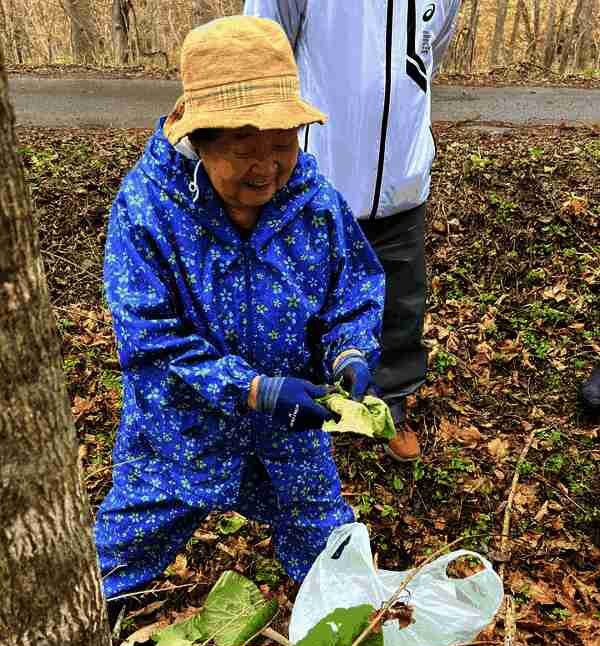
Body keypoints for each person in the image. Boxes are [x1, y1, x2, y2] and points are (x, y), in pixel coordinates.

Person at [95, 16, 385, 600]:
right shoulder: (148, 211)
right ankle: (79, 645)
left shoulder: (314, 201)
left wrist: (349, 349)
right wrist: (251, 389)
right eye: (244, 150)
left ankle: (346, 645)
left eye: (282, 144)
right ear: (199, 141)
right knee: (115, 560)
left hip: (291, 427)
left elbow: (351, 286)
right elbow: (148, 339)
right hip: (178, 430)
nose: (268, 167)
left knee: (328, 549)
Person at [244, 0, 461, 461]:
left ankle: (391, 407)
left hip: (403, 175)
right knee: (301, 301)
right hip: (320, 173)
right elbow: (262, 42)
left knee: (400, 303)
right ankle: (304, 415)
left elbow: (431, 53)